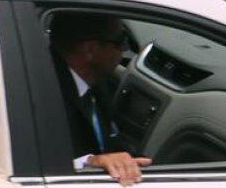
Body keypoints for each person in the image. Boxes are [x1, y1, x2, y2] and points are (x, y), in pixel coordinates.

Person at [49, 11, 151, 185]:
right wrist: (89, 162)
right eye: (121, 42)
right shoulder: (43, 96)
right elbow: (34, 164)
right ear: (90, 50)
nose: (125, 50)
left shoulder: (98, 82)